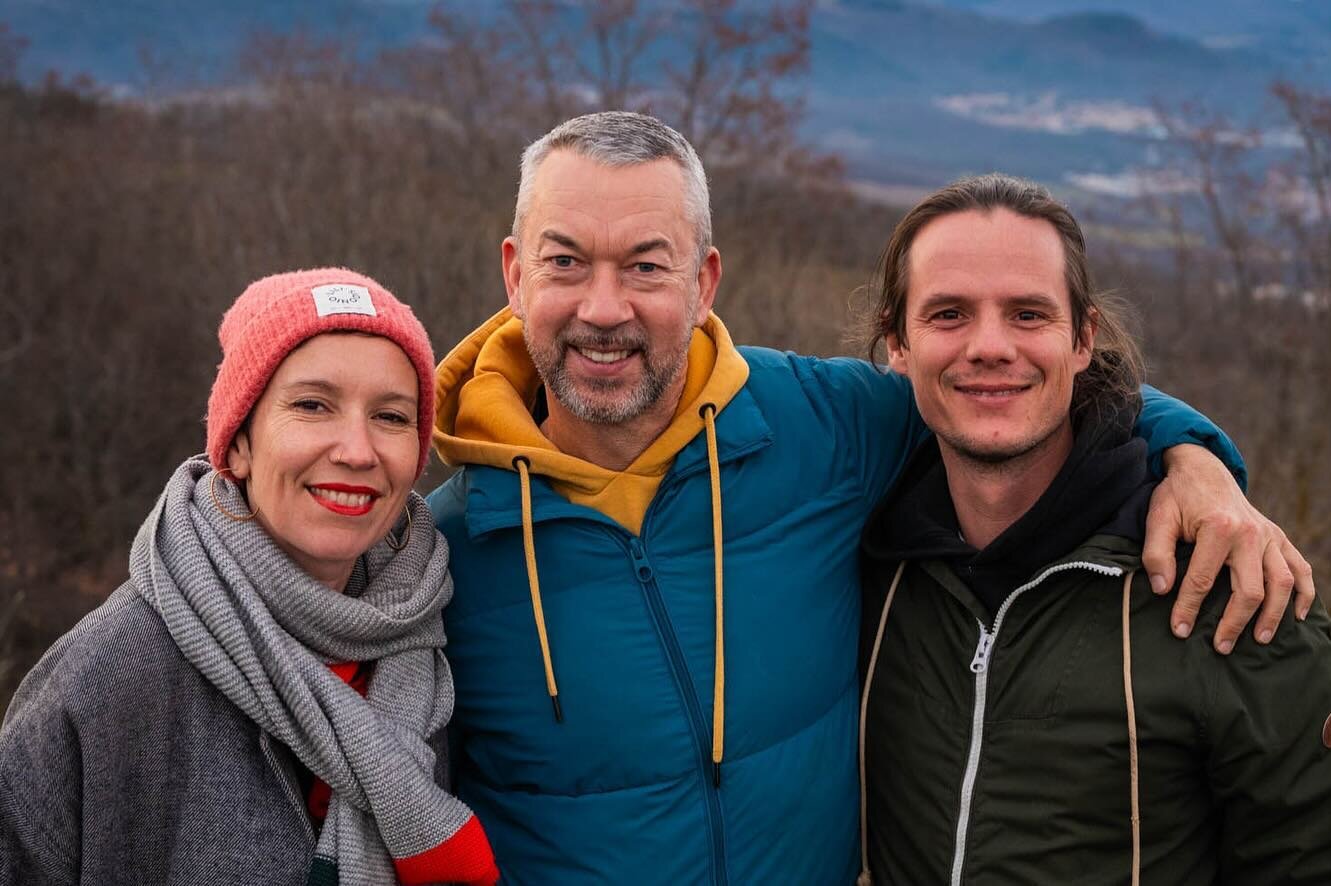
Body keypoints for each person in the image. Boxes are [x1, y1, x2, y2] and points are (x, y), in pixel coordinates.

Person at [427, 112, 1313, 884]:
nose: (604, 307)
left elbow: (1005, 396)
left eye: (647, 267)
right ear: (514, 275)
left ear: (703, 283)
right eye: (566, 262)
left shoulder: (820, 426)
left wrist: (1194, 456)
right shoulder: (443, 553)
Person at [858, 174, 1331, 884]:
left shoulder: (1230, 591)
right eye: (948, 314)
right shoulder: (856, 558)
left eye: (1027, 314)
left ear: (1083, 340)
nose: (988, 345)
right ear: (896, 343)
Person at [0, 269, 500, 886]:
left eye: (391, 416)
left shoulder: (425, 648)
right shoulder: (117, 669)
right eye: (313, 405)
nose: (357, 450)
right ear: (238, 444)